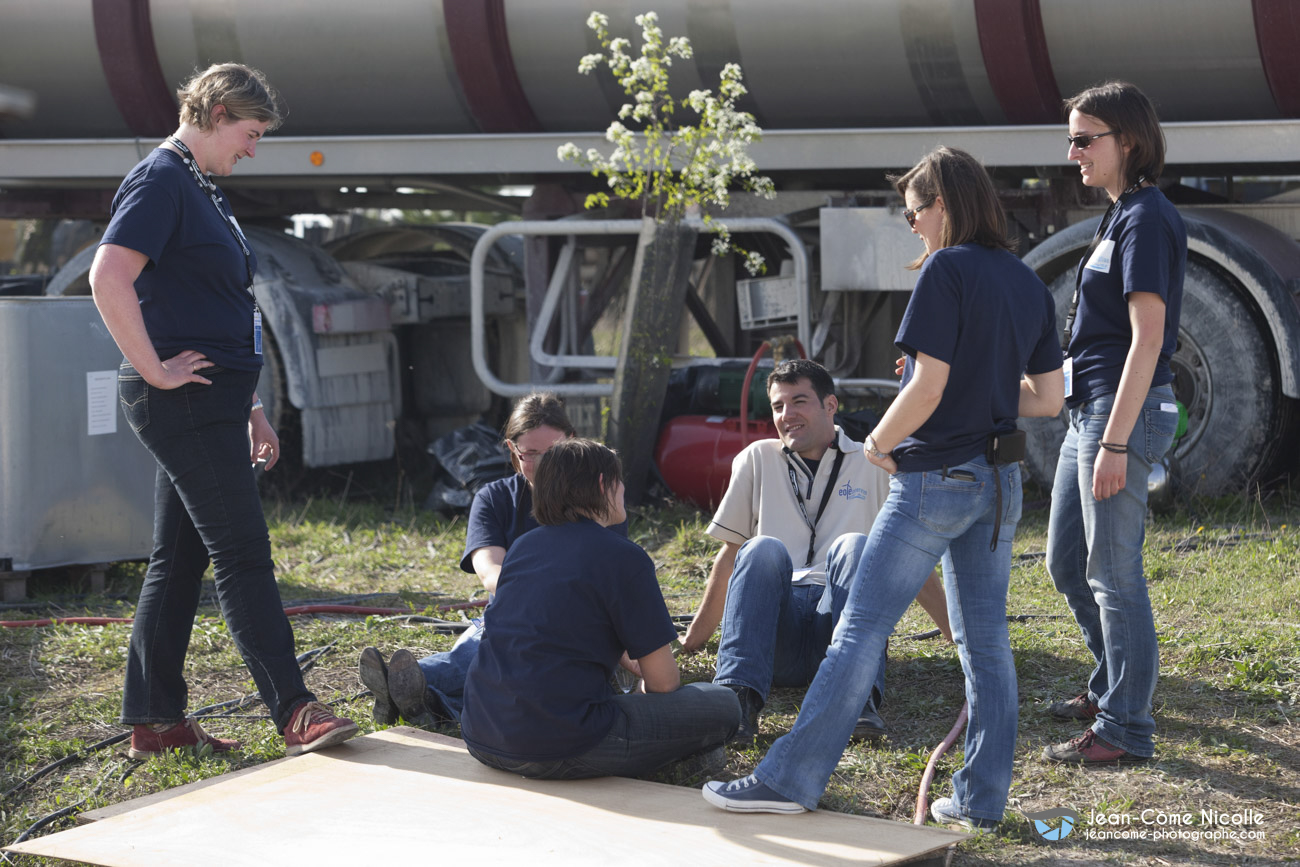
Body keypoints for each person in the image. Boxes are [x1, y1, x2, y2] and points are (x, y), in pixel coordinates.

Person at [702, 146, 1063, 830]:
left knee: (859, 629)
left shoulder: (945, 270)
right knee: (985, 644)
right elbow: (1046, 400)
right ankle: (983, 799)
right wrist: (982, 386)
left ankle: (788, 777)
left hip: (935, 480)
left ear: (944, 206)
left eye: (914, 211)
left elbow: (926, 386)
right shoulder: (1026, 281)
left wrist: (876, 443)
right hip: (1000, 482)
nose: (912, 226)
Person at [90, 63, 357, 758]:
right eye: (250, 132)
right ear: (212, 111)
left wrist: (254, 405)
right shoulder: (161, 179)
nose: (252, 148)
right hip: (182, 400)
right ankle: (296, 709)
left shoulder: (198, 184)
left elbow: (218, 308)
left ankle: (155, 720)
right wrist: (153, 368)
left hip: (216, 399)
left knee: (177, 560)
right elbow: (107, 274)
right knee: (242, 553)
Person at [681, 359, 953, 744]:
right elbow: (730, 556)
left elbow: (908, 557)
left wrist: (955, 635)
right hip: (776, 634)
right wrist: (694, 638)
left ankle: (857, 702)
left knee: (856, 546)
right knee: (761, 548)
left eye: (799, 401)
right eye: (777, 406)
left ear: (830, 405)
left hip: (839, 626)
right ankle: (737, 702)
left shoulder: (873, 461)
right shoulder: (756, 458)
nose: (786, 415)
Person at [1042, 81, 1184, 765]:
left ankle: (1127, 726)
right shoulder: (1119, 213)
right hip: (1088, 413)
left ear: (1127, 140)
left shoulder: (1146, 217)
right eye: (1070, 138)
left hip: (1118, 415)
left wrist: (1117, 441)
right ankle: (1112, 686)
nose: (1073, 152)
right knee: (1067, 561)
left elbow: (1148, 337)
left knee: (1112, 571)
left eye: (1084, 138)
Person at [460, 439, 740, 779]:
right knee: (723, 703)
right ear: (601, 485)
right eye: (619, 480)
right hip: (565, 746)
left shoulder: (522, 547)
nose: (624, 489)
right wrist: (645, 697)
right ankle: (677, 760)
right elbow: (664, 683)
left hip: (481, 735)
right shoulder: (625, 557)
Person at [359, 392, 628, 726]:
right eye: (531, 453)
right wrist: (532, 604)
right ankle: (422, 700)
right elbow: (490, 571)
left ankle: (407, 688)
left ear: (572, 443)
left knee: (498, 660)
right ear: (512, 450)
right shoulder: (494, 498)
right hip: (509, 616)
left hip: (577, 624)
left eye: (553, 452)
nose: (544, 464)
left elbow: (612, 577)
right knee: (484, 647)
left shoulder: (600, 501)